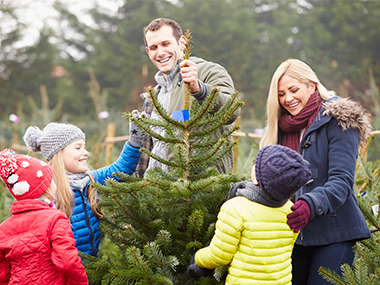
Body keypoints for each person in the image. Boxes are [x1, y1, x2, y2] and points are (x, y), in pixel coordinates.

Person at [259, 58, 372, 285]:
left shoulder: (339, 120)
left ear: (312, 85)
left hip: (335, 234)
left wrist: (310, 203)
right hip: (292, 236)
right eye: (281, 94)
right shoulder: (280, 128)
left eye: (293, 89)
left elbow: (341, 181)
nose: (288, 99)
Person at [187, 145, 312, 285]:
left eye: (256, 165)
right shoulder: (292, 211)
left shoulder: (236, 208)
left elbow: (220, 255)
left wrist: (197, 259)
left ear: (257, 180)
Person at [23, 119, 145, 257]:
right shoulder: (49, 194)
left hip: (91, 268)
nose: (86, 152)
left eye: (84, 147)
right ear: (58, 154)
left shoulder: (90, 180)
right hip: (64, 272)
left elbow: (121, 169)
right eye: (78, 147)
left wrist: (135, 141)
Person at [136, 18, 241, 177]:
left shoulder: (207, 71)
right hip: (158, 193)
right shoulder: (153, 96)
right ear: (148, 52)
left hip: (199, 192)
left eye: (166, 44)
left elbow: (231, 110)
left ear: (182, 42)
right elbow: (147, 151)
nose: (161, 52)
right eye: (154, 47)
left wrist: (199, 89)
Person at [0, 149, 88, 284]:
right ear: (46, 188)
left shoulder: (3, 228)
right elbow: (67, 262)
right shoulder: (55, 219)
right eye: (51, 180)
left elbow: (3, 271)